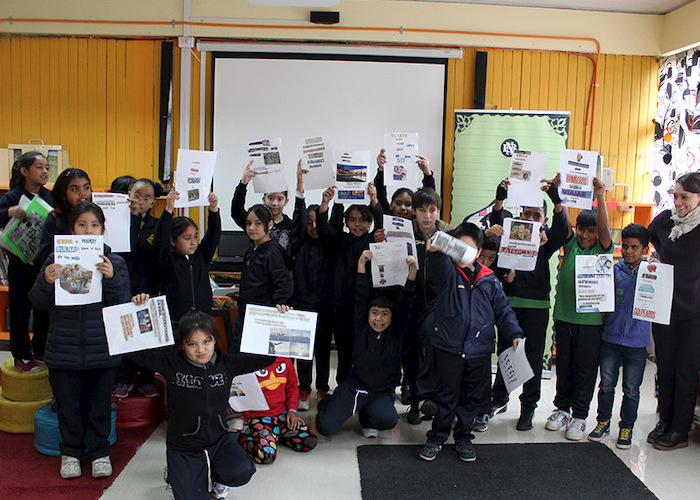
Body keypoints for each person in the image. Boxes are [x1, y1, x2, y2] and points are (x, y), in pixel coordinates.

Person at [128, 306, 275, 500]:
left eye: (206, 341)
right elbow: (130, 351)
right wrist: (136, 309)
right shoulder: (171, 362)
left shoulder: (227, 363)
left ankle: (217, 478)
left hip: (219, 439)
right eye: (192, 344)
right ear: (182, 345)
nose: (201, 350)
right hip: (183, 445)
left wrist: (280, 318)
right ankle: (175, 473)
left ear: (214, 339)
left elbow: (269, 357)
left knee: (242, 470)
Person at [29, 202, 131, 480]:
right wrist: (46, 282)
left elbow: (123, 304)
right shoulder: (55, 259)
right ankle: (70, 453)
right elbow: (36, 302)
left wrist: (110, 278)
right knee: (68, 406)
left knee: (99, 405)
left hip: (103, 350)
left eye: (94, 225)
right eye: (82, 225)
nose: (88, 230)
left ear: (102, 230)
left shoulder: (115, 261)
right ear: (72, 229)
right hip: (64, 349)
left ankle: (99, 453)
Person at [418, 223, 522, 463]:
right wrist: (435, 249)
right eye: (459, 247)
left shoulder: (490, 280)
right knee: (446, 396)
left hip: (479, 352)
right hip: (449, 349)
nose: (464, 253)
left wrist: (515, 333)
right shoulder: (448, 273)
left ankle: (463, 438)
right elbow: (437, 263)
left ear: (479, 252)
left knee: (471, 399)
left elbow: (504, 311)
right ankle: (436, 437)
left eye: (470, 248)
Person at [478, 176, 569, 432]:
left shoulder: (546, 238)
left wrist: (556, 200)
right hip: (509, 305)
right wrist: (500, 198)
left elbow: (563, 232)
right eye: (526, 214)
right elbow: (496, 226)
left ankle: (528, 408)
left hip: (537, 306)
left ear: (544, 220)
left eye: (536, 215)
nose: (530, 219)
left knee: (532, 359)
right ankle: (499, 400)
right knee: (506, 354)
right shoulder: (511, 232)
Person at [316, 251, 417, 438]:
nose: (379, 319)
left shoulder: (395, 332)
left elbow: (405, 299)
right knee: (325, 428)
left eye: (385, 314)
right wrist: (361, 263)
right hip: (353, 388)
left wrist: (412, 270)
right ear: (368, 314)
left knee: (388, 420)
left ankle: (367, 417)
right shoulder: (361, 326)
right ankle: (330, 401)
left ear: (392, 317)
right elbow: (361, 294)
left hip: (380, 392)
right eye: (375, 313)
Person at [546, 177, 612, 441]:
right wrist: (559, 191)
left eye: (591, 231)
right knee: (564, 365)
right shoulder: (571, 245)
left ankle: (580, 416)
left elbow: (605, 226)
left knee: (585, 368)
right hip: (563, 318)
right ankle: (562, 409)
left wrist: (600, 195)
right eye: (582, 229)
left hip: (591, 323)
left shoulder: (603, 250)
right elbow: (566, 223)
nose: (586, 235)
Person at [647, 171, 700, 451]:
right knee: (665, 367)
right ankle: (664, 421)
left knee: (687, 371)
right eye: (675, 195)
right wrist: (654, 258)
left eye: (685, 197)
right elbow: (645, 237)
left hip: (694, 313)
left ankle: (680, 429)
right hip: (664, 308)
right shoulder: (665, 221)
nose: (678, 202)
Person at [588, 223, 651, 449]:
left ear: (645, 249)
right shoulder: (613, 270)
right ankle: (603, 421)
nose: (628, 251)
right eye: (625, 246)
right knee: (606, 385)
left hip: (637, 342)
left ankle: (627, 427)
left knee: (632, 389)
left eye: (635, 247)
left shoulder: (652, 274)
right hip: (611, 338)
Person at [317, 186, 376, 385]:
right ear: (346, 222)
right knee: (343, 348)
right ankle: (343, 385)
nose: (357, 224)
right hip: (341, 305)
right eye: (352, 220)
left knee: (363, 347)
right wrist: (326, 202)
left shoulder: (374, 241)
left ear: (370, 222)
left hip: (365, 304)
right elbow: (324, 229)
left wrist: (375, 199)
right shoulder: (341, 240)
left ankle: (362, 385)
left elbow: (383, 220)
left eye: (363, 220)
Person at [112, 178, 165, 399]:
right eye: (136, 196)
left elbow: (156, 257)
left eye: (146, 198)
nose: (140, 202)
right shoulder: (116, 222)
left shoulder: (156, 226)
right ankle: (123, 378)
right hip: (123, 287)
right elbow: (126, 250)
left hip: (148, 288)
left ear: (153, 203)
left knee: (146, 334)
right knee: (123, 332)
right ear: (128, 195)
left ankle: (146, 378)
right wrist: (132, 218)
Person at [0, 152, 53, 371]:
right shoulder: (13, 196)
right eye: (39, 167)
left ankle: (39, 349)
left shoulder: (50, 196)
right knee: (20, 309)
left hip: (44, 264)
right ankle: (22, 354)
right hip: (20, 263)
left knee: (44, 309)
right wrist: (10, 212)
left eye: (47, 167)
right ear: (24, 171)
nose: (44, 172)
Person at [290, 162, 335, 407]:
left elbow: (330, 223)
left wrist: (330, 200)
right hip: (302, 304)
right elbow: (297, 220)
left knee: (323, 349)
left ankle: (323, 388)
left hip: (325, 305)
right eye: (309, 222)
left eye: (317, 221)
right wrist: (300, 187)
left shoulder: (330, 245)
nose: (314, 226)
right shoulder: (299, 243)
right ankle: (304, 388)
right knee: (302, 350)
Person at [409, 187, 453, 423]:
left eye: (432, 210)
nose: (427, 215)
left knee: (430, 341)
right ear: (414, 212)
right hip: (411, 301)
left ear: (438, 212)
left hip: (437, 303)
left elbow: (468, 252)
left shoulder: (446, 238)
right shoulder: (403, 233)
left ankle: (430, 397)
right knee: (411, 352)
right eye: (422, 210)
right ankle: (414, 402)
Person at [229, 204, 293, 352]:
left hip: (259, 319)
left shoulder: (272, 252)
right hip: (245, 314)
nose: (252, 228)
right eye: (249, 223)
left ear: (269, 225)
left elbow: (285, 286)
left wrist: (268, 310)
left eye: (258, 223)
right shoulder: (253, 249)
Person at [154, 188, 221, 329]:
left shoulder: (201, 256)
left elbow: (213, 236)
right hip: (177, 322)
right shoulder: (167, 259)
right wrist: (168, 210)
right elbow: (160, 239)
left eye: (195, 237)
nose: (193, 242)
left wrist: (213, 210)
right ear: (173, 241)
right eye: (187, 238)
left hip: (202, 321)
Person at [239, 356, 317, 464]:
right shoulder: (247, 361)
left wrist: (292, 410)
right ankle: (243, 437)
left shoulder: (285, 360)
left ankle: (275, 436)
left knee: (309, 441)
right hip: (258, 417)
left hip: (282, 414)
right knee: (266, 456)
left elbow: (292, 387)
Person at [231, 161, 292, 261]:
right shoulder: (255, 222)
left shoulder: (290, 225)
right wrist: (243, 184)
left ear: (286, 201)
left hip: (280, 273)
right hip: (257, 271)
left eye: (279, 199)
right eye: (270, 198)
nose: (274, 203)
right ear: (264, 199)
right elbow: (236, 211)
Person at [38, 168, 92, 263]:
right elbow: (45, 254)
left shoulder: (96, 215)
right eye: (75, 189)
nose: (82, 193)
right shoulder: (55, 219)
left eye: (86, 188)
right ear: (63, 192)